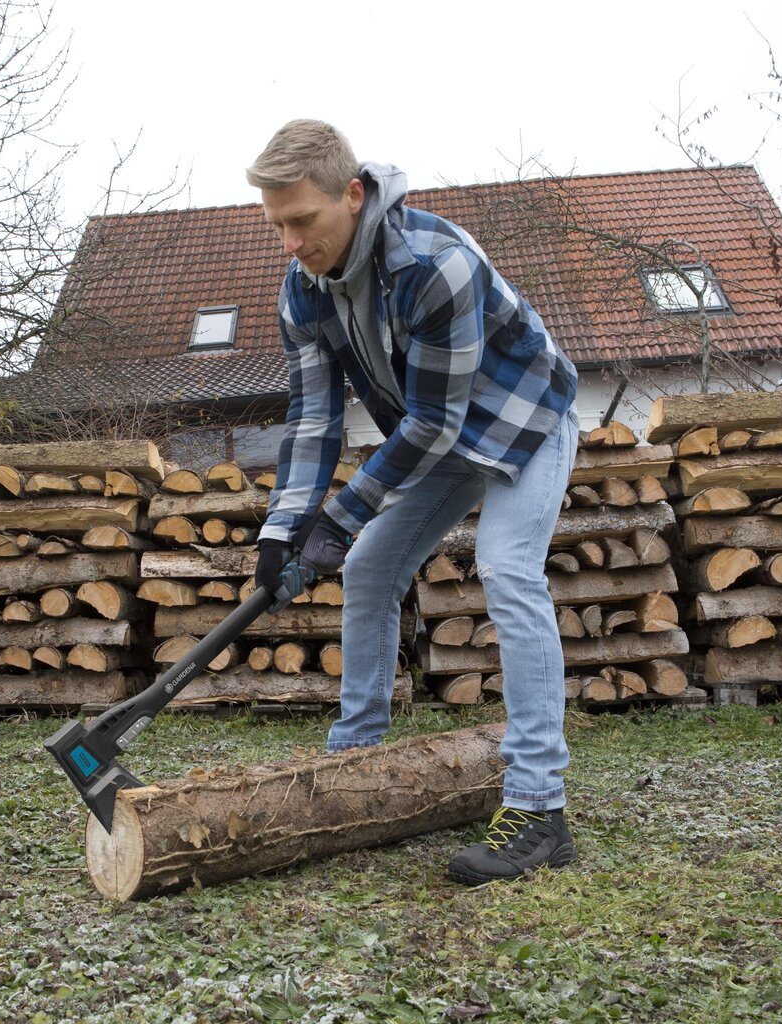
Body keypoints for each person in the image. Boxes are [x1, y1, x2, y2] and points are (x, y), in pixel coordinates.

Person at [246, 120, 580, 884]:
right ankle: (355, 768)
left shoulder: (436, 264)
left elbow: (433, 421)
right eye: (278, 226)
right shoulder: (303, 291)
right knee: (366, 571)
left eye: (303, 220)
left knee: (506, 567)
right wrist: (283, 530)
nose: (291, 243)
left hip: (527, 418)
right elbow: (312, 420)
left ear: (353, 195)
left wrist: (339, 515)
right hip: (447, 436)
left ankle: (539, 807)